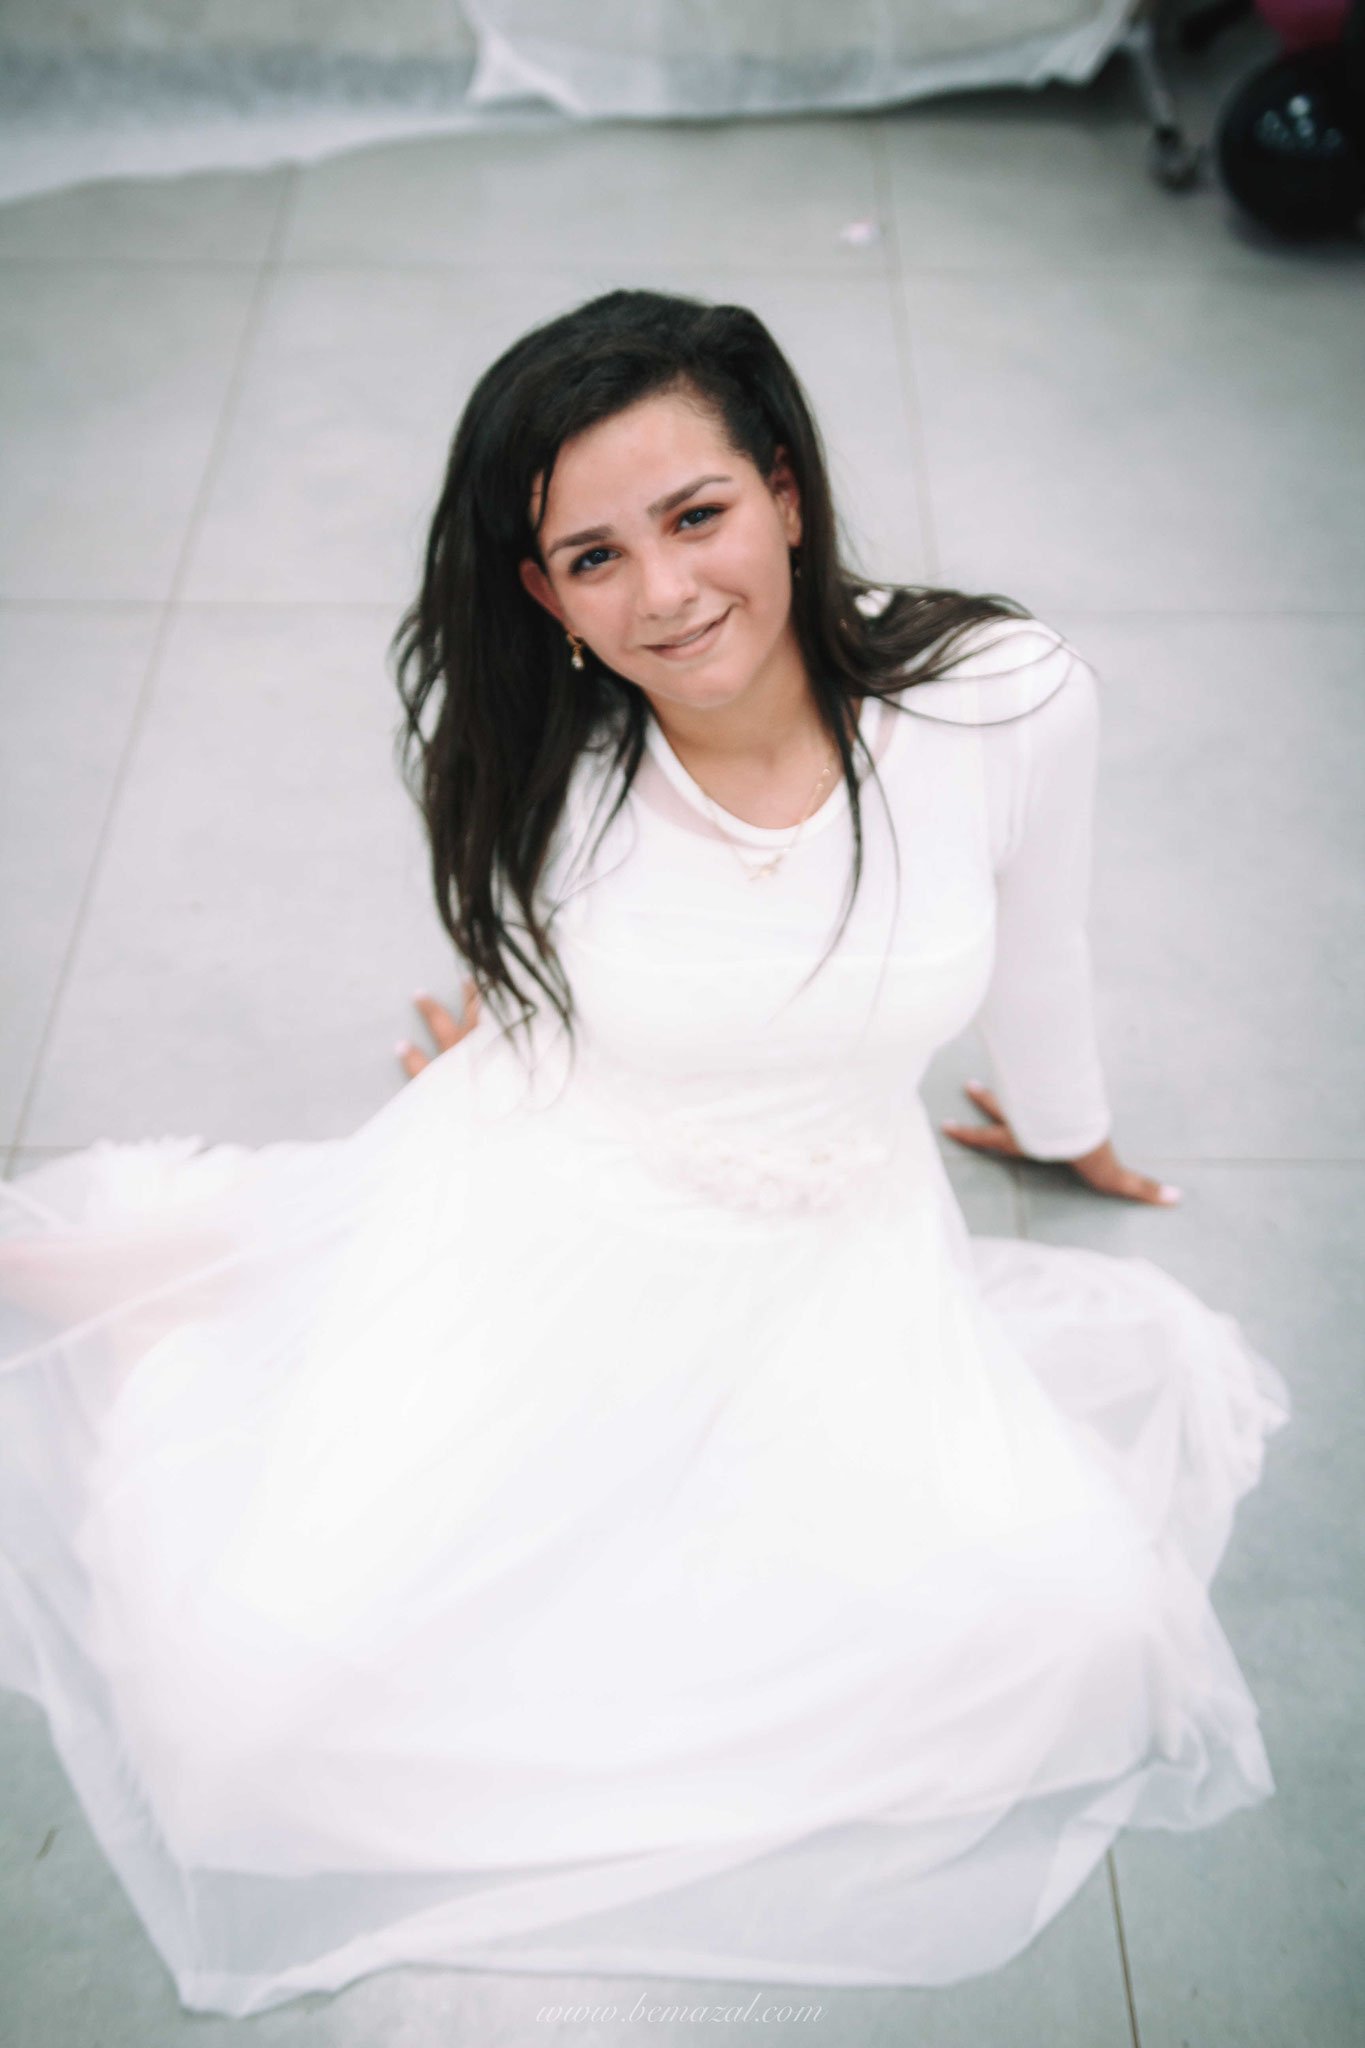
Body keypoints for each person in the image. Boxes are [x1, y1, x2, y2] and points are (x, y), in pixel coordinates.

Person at [0, 288, 1291, 2019]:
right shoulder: (550, 760)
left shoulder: (1005, 695)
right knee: (254, 1723)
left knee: (1074, 1642)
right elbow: (557, 950)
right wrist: (515, 1031)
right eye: (593, 558)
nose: (666, 594)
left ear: (785, 493)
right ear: (544, 595)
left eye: (697, 516)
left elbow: (1039, 944)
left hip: (838, 1260)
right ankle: (196, 1324)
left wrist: (1071, 1131)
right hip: (559, 1219)